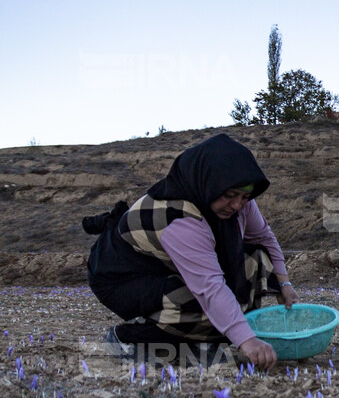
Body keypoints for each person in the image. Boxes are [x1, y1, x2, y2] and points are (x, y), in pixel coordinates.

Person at [82, 134, 297, 368]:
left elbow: (264, 237)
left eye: (245, 197)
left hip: (167, 270)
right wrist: (248, 341)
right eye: (230, 196)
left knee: (255, 263)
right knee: (201, 299)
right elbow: (209, 288)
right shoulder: (180, 219)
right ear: (208, 184)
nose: (237, 205)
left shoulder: (238, 201)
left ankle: (199, 341)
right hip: (123, 279)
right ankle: (130, 339)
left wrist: (284, 284)